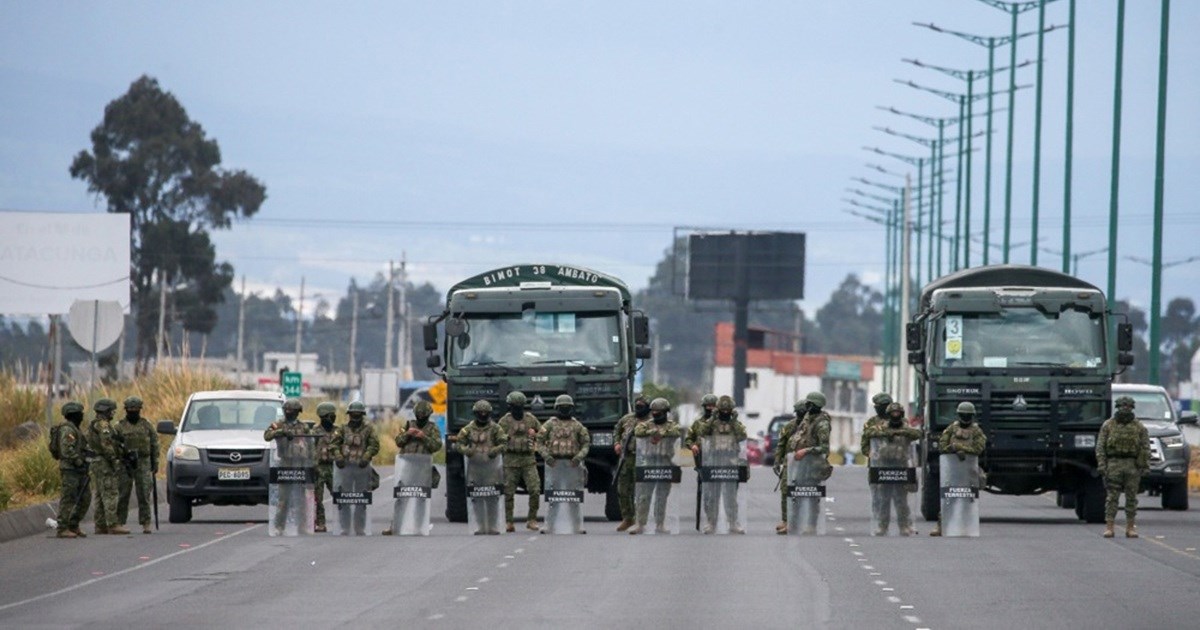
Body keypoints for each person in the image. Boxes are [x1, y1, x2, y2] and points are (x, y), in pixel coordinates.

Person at [381, 399, 443, 536]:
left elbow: (436, 446)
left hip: (422, 467)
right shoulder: (409, 425)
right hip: (407, 465)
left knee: (421, 497)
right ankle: (396, 525)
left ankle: (418, 525)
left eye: (423, 416)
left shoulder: (433, 428)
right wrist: (407, 434)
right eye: (418, 415)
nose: (420, 418)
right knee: (402, 496)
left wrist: (423, 437)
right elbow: (398, 442)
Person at [863, 402, 921, 536]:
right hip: (884, 468)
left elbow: (917, 433)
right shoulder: (881, 427)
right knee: (884, 499)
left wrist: (900, 432)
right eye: (893, 413)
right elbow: (869, 432)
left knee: (901, 500)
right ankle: (882, 527)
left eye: (898, 413)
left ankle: (904, 526)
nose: (895, 416)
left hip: (901, 468)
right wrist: (887, 432)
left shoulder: (906, 428)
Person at [1096, 396, 1150, 539]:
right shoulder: (1108, 425)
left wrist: (1144, 466)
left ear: (1132, 408)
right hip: (1113, 464)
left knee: (1131, 498)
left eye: (1128, 406)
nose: (1125, 409)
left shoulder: (1139, 427)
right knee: (1112, 497)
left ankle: (1130, 527)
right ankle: (1109, 527)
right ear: (1117, 407)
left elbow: (1145, 447)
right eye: (1122, 406)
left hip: (1132, 465)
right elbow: (1100, 447)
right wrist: (1102, 464)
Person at [930, 401, 987, 537]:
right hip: (952, 469)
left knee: (968, 499)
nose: (965, 418)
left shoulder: (977, 431)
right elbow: (942, 446)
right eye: (963, 415)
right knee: (949, 497)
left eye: (968, 415)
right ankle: (942, 526)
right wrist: (953, 449)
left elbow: (978, 449)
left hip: (969, 470)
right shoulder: (951, 429)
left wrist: (961, 449)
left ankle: (966, 526)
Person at [537, 394, 590, 534]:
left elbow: (586, 444)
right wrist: (546, 456)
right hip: (554, 465)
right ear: (556, 408)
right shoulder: (549, 425)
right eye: (562, 407)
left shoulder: (577, 426)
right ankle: (549, 525)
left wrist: (579, 457)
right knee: (553, 497)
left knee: (574, 497)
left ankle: (577, 526)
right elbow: (539, 442)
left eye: (567, 407)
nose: (564, 410)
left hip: (572, 465)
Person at [694, 395, 747, 534]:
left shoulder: (736, 424)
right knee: (713, 495)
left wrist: (734, 421)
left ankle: (733, 523)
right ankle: (711, 523)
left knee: (730, 496)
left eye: (727, 410)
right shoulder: (712, 423)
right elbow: (702, 432)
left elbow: (742, 436)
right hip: (714, 462)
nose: (725, 412)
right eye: (722, 410)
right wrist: (712, 418)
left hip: (730, 463)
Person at [782, 391, 832, 535]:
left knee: (811, 496)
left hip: (813, 465)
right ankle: (794, 524)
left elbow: (824, 448)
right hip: (800, 464)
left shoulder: (822, 424)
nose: (807, 405)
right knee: (796, 494)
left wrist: (806, 451)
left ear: (815, 404)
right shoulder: (807, 419)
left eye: (809, 403)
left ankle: (811, 525)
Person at [455, 400, 507, 534]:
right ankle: (480, 526)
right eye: (480, 412)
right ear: (475, 413)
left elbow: (504, 443)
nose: (483, 415)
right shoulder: (467, 429)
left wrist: (495, 450)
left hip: (492, 468)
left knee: (492, 497)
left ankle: (493, 526)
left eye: (485, 413)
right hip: (474, 467)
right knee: (476, 497)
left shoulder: (496, 428)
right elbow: (458, 444)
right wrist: (466, 450)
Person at [630, 398, 680, 535]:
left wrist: (661, 434)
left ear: (665, 412)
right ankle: (640, 524)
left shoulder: (671, 426)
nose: (656, 414)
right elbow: (638, 432)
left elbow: (676, 433)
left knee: (661, 496)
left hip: (665, 462)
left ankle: (660, 524)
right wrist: (652, 432)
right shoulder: (646, 425)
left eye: (659, 412)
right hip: (648, 463)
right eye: (654, 412)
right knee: (643, 496)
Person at [330, 401, 380, 535]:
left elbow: (374, 445)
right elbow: (333, 444)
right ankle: (345, 527)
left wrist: (367, 456)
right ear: (349, 415)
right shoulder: (342, 429)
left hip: (362, 469)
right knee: (344, 498)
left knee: (361, 499)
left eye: (358, 414)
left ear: (362, 415)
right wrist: (338, 456)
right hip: (345, 468)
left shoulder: (368, 429)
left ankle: (359, 527)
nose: (355, 417)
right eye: (353, 414)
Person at [264, 398, 313, 536]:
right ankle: (279, 526)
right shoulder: (278, 425)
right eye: (287, 410)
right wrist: (280, 433)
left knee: (301, 499)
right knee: (283, 498)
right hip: (285, 464)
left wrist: (310, 465)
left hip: (300, 464)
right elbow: (266, 436)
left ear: (298, 412)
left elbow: (310, 445)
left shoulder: (304, 427)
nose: (289, 413)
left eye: (292, 411)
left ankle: (302, 527)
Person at [498, 391, 542, 532]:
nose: (517, 409)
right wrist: (506, 438)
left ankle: (532, 519)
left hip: (528, 459)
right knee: (508, 492)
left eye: (519, 406)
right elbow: (497, 438)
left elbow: (544, 432)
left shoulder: (530, 419)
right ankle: (508, 521)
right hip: (510, 460)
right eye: (514, 406)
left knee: (535, 490)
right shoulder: (504, 421)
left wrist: (535, 434)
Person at [114, 396, 157, 534]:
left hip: (143, 462)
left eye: (136, 410)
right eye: (130, 410)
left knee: (144, 493)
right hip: (125, 463)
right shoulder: (119, 426)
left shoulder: (146, 425)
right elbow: (114, 446)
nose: (133, 412)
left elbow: (154, 444)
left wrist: (154, 463)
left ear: (140, 410)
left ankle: (146, 522)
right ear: (126, 410)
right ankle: (119, 522)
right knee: (123, 493)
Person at [86, 398, 129, 535]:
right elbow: (107, 445)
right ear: (106, 411)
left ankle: (100, 525)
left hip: (95, 462)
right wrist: (114, 460)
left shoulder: (93, 424)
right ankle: (112, 524)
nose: (113, 413)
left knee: (99, 493)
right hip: (104, 462)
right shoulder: (104, 426)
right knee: (110, 492)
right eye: (111, 411)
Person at [51, 401, 91, 538]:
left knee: (85, 498)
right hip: (70, 470)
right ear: (74, 415)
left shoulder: (75, 428)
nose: (82, 416)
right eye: (80, 414)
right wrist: (79, 461)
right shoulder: (67, 429)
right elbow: (67, 450)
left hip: (79, 470)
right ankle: (62, 528)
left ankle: (73, 525)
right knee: (68, 498)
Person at [612, 395, 651, 531]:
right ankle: (628, 518)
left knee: (641, 490)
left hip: (644, 458)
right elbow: (617, 430)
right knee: (622, 489)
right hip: (626, 458)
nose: (639, 408)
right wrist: (617, 443)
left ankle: (641, 519)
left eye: (642, 406)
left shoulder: (652, 421)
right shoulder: (627, 419)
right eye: (637, 405)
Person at [311, 402, 338, 533]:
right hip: (319, 468)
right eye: (331, 415)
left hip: (335, 468)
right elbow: (310, 450)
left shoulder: (338, 431)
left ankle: (342, 521)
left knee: (339, 496)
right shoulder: (315, 432)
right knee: (318, 498)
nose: (333, 418)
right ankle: (320, 523)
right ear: (323, 416)